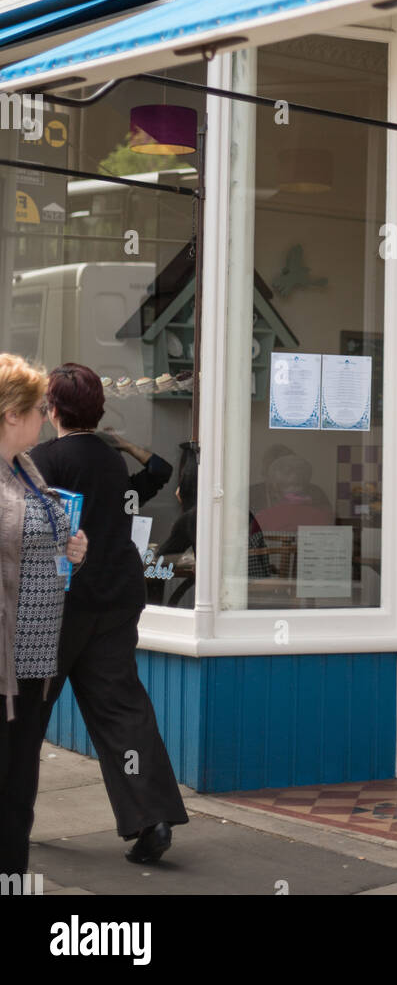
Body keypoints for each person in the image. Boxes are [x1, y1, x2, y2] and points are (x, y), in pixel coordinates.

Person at [30, 363, 188, 865]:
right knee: (123, 713)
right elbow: (149, 479)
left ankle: (12, 820)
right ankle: (153, 817)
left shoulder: (42, 460)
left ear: (52, 409)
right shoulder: (110, 461)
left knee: (25, 715)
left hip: (58, 606)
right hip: (116, 598)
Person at [0, 354, 88, 875]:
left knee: (18, 789)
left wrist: (73, 548)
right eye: (37, 408)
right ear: (12, 413)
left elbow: (43, 535)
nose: (44, 417)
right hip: (5, 660)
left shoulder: (25, 468)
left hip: (34, 659)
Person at [159, 442, 271, 604]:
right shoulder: (241, 513)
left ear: (188, 481)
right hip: (255, 597)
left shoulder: (196, 517)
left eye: (181, 477)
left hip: (233, 598)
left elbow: (161, 563)